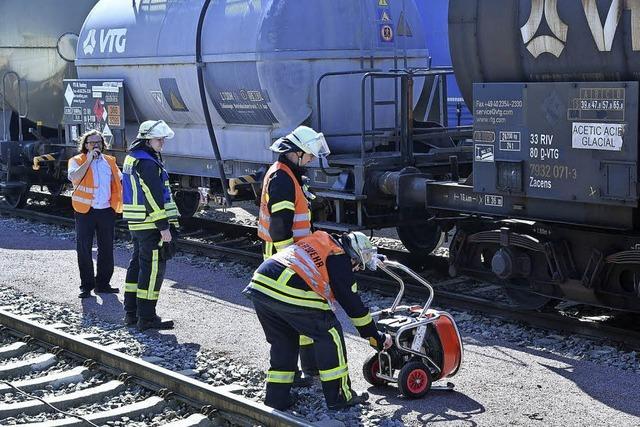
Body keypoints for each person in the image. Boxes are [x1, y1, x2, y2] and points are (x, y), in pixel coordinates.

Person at [243, 230, 393, 411]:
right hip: (288, 290)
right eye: (357, 265)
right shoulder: (340, 258)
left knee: (284, 343)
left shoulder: (324, 240)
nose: (356, 269)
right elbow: (354, 308)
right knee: (330, 334)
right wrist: (375, 337)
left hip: (261, 285)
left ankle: (276, 398)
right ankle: (340, 396)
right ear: (352, 255)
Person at [257, 125, 331, 385]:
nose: (311, 160)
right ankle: (296, 373)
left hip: (295, 252)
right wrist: (288, 260)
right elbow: (280, 224)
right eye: (308, 155)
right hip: (285, 253)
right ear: (296, 153)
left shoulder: (288, 173)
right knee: (289, 312)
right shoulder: (282, 179)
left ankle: (309, 367)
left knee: (302, 308)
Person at [121, 120, 179, 331]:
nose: (162, 142)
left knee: (137, 264)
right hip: (150, 224)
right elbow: (153, 197)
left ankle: (131, 313)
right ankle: (146, 317)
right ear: (146, 139)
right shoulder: (147, 162)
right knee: (152, 269)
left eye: (163, 139)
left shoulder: (133, 157)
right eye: (158, 139)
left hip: (137, 223)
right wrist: (163, 226)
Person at [68, 129, 122, 299]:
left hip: (106, 210)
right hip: (85, 211)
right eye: (91, 142)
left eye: (98, 142)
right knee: (83, 248)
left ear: (103, 144)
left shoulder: (110, 162)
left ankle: (103, 284)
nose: (95, 145)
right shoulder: (77, 160)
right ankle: (86, 286)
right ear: (85, 145)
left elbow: (120, 181)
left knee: (106, 248)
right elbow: (74, 178)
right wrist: (89, 160)